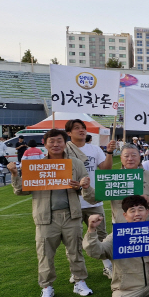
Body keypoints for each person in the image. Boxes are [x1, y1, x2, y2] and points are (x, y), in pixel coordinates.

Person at [7, 129, 96, 297]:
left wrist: (82, 185)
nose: (56, 145)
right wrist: (15, 175)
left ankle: (79, 281)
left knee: (76, 251)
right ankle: (47, 287)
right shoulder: (37, 165)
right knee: (45, 254)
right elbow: (21, 191)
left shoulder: (76, 164)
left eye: (59, 141)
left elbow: (88, 193)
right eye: (52, 141)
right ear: (44, 143)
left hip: (72, 215)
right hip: (45, 217)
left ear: (65, 143)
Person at [64, 119, 117, 279]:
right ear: (68, 133)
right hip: (71, 201)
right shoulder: (64, 151)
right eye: (77, 128)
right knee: (73, 239)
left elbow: (106, 169)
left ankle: (107, 266)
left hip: (94, 199)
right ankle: (76, 270)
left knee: (102, 235)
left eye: (83, 128)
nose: (81, 130)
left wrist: (109, 152)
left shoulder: (94, 149)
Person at [110, 144, 149, 224]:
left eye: (134, 155)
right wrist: (87, 188)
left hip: (146, 223)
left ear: (140, 157)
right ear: (121, 158)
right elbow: (94, 197)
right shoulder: (112, 177)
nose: (130, 159)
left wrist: (148, 199)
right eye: (126, 156)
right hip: (121, 224)